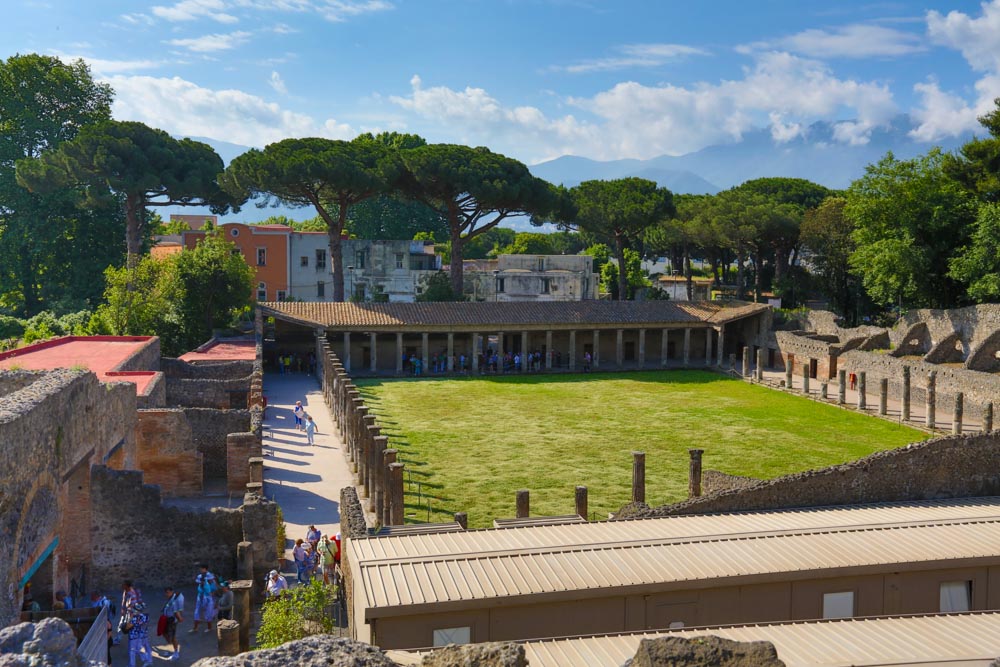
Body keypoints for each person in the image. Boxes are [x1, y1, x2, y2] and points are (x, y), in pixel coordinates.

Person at [190, 564, 217, 634]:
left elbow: (213, 587)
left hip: (208, 597)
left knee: (208, 612)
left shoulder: (210, 578)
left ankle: (209, 627)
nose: (201, 570)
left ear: (205, 569)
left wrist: (212, 594)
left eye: (202, 569)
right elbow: (199, 585)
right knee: (197, 612)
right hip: (200, 596)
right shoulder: (200, 577)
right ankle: (195, 627)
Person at [125, 601, 153, 667]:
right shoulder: (146, 616)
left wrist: (130, 618)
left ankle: (133, 664)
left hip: (134, 636)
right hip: (144, 635)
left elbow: (127, 627)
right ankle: (149, 660)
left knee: (134, 651)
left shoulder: (135, 618)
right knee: (147, 647)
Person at [161, 586, 184, 662]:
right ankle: (173, 649)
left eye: (168, 592)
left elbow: (176, 612)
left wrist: (180, 619)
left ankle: (176, 653)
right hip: (167, 619)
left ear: (171, 592)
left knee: (173, 637)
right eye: (166, 593)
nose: (166, 594)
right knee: (164, 633)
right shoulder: (171, 598)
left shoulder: (174, 601)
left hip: (172, 621)